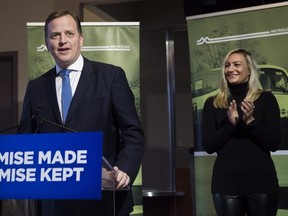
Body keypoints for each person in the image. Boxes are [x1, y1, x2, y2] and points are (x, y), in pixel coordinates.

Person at [18, 9, 145, 216]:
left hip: (104, 199)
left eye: (69, 33)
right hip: (53, 203)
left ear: (81, 39)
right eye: (54, 35)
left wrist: (125, 169)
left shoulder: (110, 77)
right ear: (47, 43)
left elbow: (133, 132)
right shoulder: (36, 87)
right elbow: (25, 138)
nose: (62, 41)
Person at [202, 48, 280, 216]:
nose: (231, 69)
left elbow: (274, 143)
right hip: (226, 184)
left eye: (237, 64)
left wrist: (251, 122)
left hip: (262, 183)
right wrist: (230, 125)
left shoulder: (266, 99)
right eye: (227, 65)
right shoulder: (213, 103)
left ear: (249, 70)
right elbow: (209, 145)